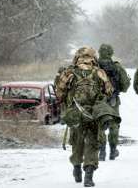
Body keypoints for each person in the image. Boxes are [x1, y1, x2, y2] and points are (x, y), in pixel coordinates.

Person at [55, 47, 116, 187]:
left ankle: (77, 167)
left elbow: (59, 94)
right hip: (94, 114)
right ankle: (89, 175)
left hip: (75, 114)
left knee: (77, 142)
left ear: (77, 57)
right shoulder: (99, 72)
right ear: (93, 57)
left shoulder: (69, 72)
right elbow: (109, 92)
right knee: (93, 144)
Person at [97, 44, 130, 161]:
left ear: (99, 52)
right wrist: (117, 88)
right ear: (111, 53)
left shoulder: (94, 66)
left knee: (100, 124)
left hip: (98, 101)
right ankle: (112, 150)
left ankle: (101, 151)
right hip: (113, 100)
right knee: (114, 125)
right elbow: (125, 86)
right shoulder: (117, 67)